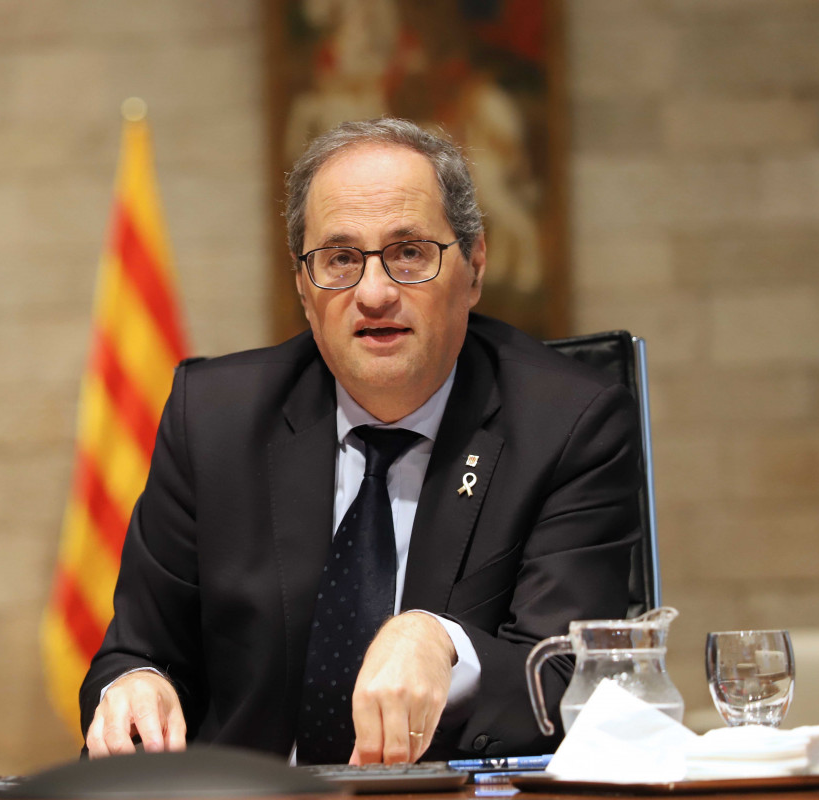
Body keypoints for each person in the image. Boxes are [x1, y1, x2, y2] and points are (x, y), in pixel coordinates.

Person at [80, 118, 641, 764]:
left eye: (408, 252)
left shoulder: (569, 423)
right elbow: (134, 651)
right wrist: (134, 686)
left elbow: (573, 680)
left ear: (475, 266)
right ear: (302, 284)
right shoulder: (213, 419)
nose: (374, 293)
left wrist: (445, 644)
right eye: (341, 259)